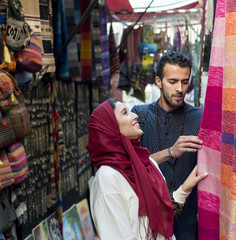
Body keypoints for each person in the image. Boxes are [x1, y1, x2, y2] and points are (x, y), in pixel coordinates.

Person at [87, 98, 207, 240]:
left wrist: (187, 186)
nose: (135, 116)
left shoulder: (147, 164)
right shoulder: (108, 178)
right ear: (110, 127)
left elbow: (163, 211)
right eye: (125, 113)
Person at [131, 51, 203, 240]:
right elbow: (131, 167)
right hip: (148, 224)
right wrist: (171, 152)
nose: (180, 88)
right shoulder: (140, 116)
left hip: (190, 226)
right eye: (172, 81)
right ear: (158, 81)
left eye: (185, 81)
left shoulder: (200, 118)